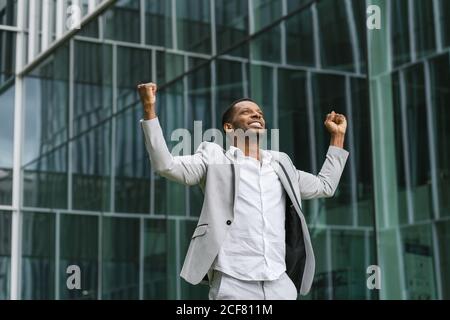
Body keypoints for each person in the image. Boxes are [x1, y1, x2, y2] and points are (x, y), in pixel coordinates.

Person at [137, 82, 349, 300]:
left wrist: (337, 137)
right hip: (233, 282)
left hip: (279, 282)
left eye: (259, 113)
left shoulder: (281, 164)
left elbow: (326, 186)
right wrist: (149, 109)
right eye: (247, 112)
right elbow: (166, 165)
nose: (257, 116)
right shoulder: (214, 158)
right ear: (229, 127)